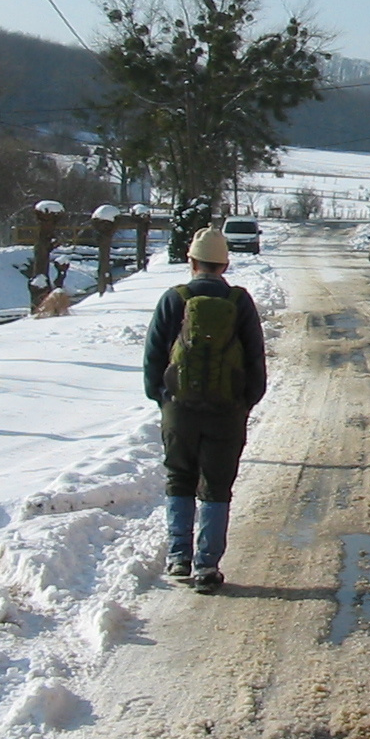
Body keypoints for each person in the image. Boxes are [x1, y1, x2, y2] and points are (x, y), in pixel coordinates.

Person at [143, 226, 267, 592]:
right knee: (216, 486)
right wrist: (245, 402)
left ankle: (179, 556)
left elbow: (153, 356)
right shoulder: (239, 302)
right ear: (224, 263)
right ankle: (207, 567)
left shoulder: (174, 298)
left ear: (192, 261)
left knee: (179, 477)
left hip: (180, 409)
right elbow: (256, 359)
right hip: (226, 411)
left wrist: (164, 398)